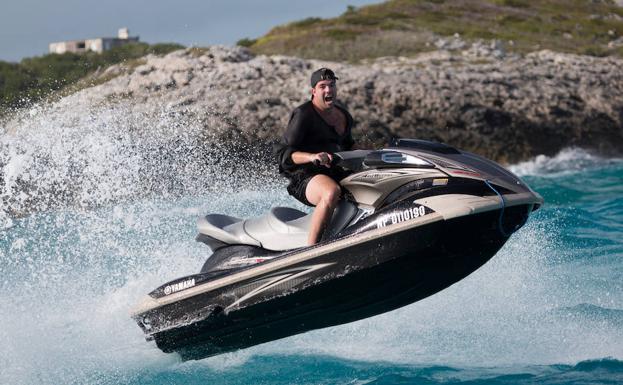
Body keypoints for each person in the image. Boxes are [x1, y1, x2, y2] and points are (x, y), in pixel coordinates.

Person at [275, 68, 355, 245]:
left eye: (332, 85)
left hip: (332, 171)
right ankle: (311, 250)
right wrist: (312, 157)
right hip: (303, 176)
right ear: (314, 91)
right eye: (323, 86)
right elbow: (283, 154)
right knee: (331, 191)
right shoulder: (304, 115)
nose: (328, 90)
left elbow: (349, 146)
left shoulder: (343, 116)